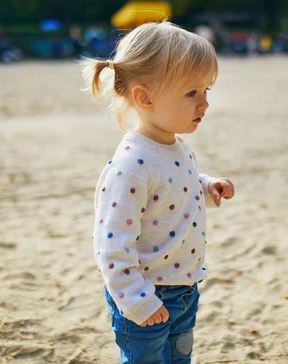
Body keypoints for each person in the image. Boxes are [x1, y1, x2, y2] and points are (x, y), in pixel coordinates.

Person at [81, 22, 235, 363]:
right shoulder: (131, 164)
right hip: (146, 293)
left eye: (206, 90)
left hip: (184, 288)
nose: (205, 103)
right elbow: (111, 243)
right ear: (145, 97)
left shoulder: (177, 148)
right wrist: (137, 300)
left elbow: (176, 188)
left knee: (179, 357)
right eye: (191, 93)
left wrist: (207, 186)